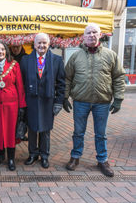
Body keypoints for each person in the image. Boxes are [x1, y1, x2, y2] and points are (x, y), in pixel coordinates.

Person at [64, 23, 125, 177]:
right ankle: (75, 157)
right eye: (88, 33)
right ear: (83, 36)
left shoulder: (110, 55)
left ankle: (102, 160)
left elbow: (118, 77)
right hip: (80, 101)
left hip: (102, 102)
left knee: (101, 133)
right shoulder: (75, 56)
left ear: (100, 35)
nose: (91, 35)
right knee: (78, 132)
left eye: (94, 32)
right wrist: (65, 97)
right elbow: (67, 79)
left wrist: (118, 98)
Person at [20, 33, 65, 169]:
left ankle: (44, 155)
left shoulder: (57, 60)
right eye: (39, 43)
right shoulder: (26, 60)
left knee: (45, 131)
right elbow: (21, 83)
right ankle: (33, 154)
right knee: (32, 129)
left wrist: (59, 102)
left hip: (48, 101)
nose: (41, 45)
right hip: (31, 101)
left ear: (49, 44)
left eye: (44, 43)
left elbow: (62, 83)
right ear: (34, 45)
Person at [0, 41, 26, 171]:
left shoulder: (14, 66)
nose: (0, 52)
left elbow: (20, 86)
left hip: (11, 104)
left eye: (3, 49)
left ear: (6, 52)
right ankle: (1, 155)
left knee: (10, 131)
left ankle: (11, 158)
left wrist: (21, 106)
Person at [10, 42, 28, 141]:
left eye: (17, 47)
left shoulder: (26, 58)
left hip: (23, 88)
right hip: (12, 89)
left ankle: (21, 132)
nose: (15, 49)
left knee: (23, 114)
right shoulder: (7, 57)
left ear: (22, 46)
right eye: (13, 47)